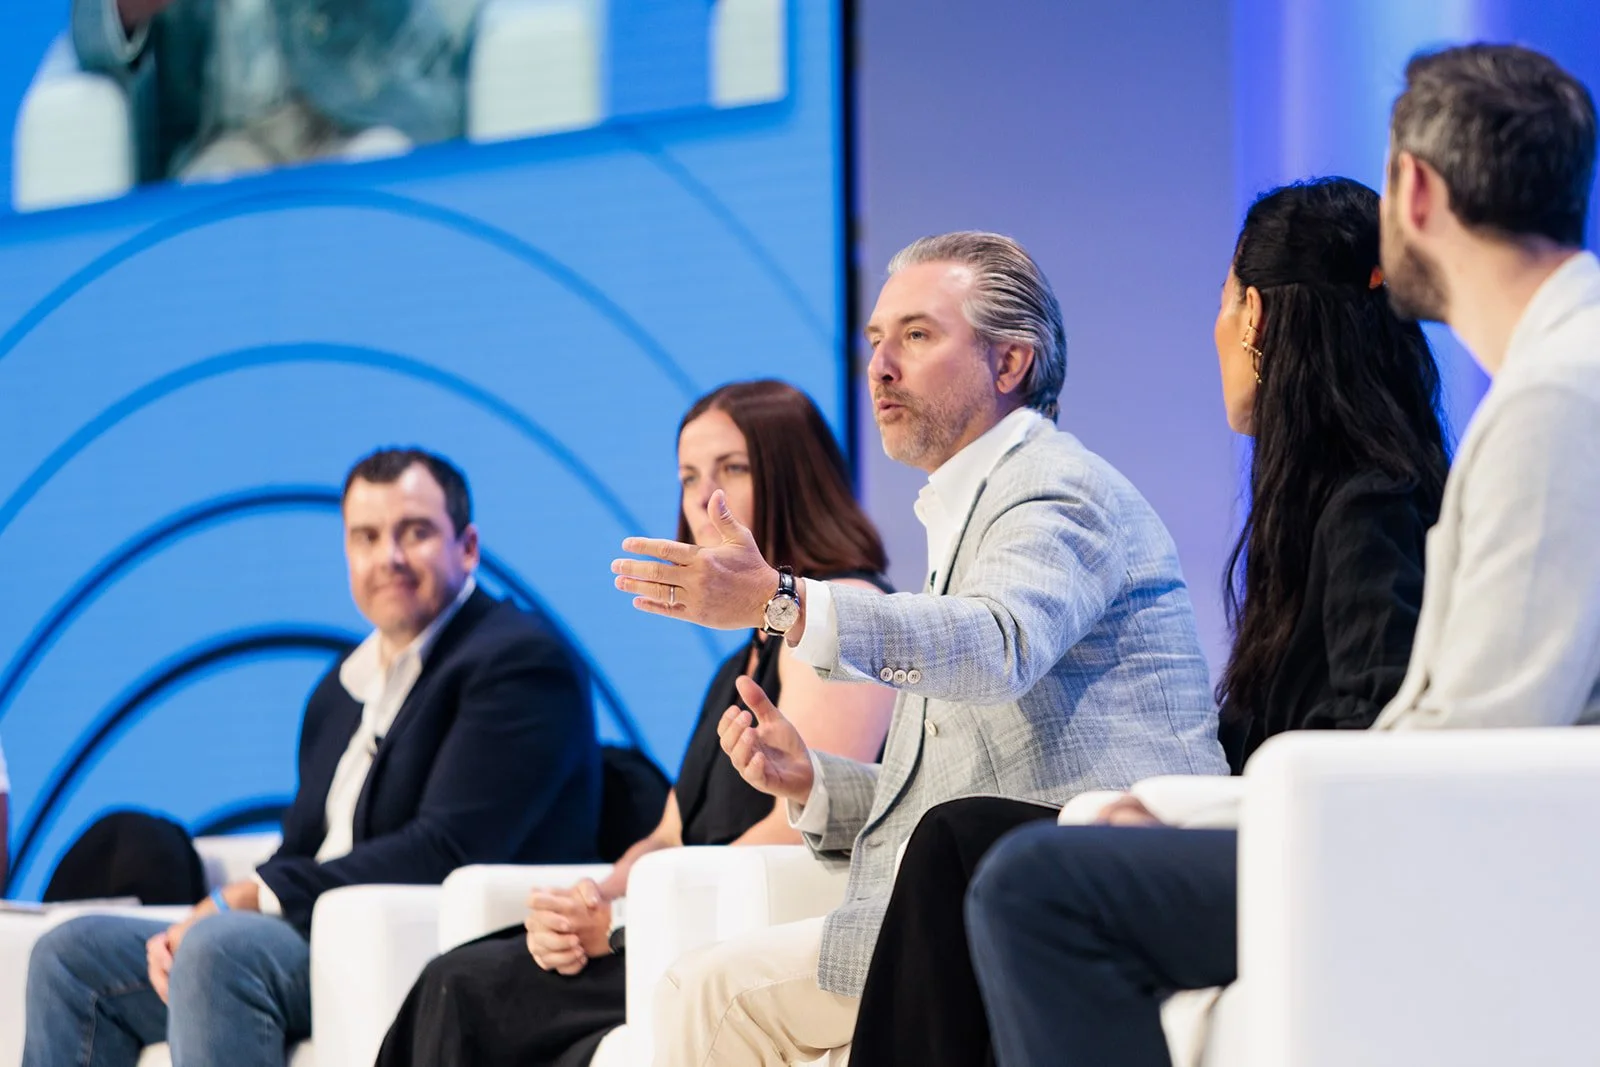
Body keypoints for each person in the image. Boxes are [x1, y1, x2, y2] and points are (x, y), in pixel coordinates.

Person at [964, 43, 1600, 1067]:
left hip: (1465, 852)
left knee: (1033, 888)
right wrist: (1198, 804)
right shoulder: (1546, 385)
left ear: (1417, 190)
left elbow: (1471, 742)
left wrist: (1193, 807)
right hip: (1453, 829)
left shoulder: (1552, 400)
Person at [845, 176, 1452, 1067]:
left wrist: (1188, 809)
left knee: (973, 850)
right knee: (961, 842)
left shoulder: (1369, 502)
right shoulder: (1326, 500)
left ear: (1255, 317)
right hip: (1274, 825)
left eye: (1220, 299)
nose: (881, 366)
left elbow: (1363, 728)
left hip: (1333, 853)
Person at [610, 232, 1229, 1065]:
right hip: (965, 880)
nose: (880, 368)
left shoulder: (1054, 488)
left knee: (708, 995)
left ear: (1010, 363)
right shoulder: (965, 509)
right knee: (705, 988)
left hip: (1087, 880)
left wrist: (782, 601)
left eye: (917, 335)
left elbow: (995, 644)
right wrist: (815, 782)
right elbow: (948, 791)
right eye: (874, 341)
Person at [373, 380, 898, 1067]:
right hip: (672, 919)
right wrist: (592, 900)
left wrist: (624, 923)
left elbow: (798, 824)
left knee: (464, 988)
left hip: (731, 935)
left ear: (794, 476)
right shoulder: (746, 652)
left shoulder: (842, 613)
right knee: (461, 972)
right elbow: (669, 833)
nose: (704, 500)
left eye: (732, 470)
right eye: (688, 477)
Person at [23, 447, 602, 1067]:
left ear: (467, 547)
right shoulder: (339, 690)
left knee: (220, 950)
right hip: (306, 933)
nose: (390, 558)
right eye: (367, 537)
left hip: (428, 942)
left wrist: (248, 899)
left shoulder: (517, 663)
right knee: (71, 957)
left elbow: (447, 849)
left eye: (415, 532)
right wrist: (220, 912)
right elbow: (303, 845)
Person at [71, 0, 479, 182]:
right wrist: (127, 10)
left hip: (370, 107)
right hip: (224, 136)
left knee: (380, 177)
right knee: (206, 213)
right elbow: (91, 32)